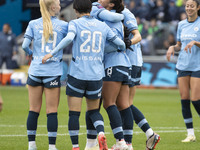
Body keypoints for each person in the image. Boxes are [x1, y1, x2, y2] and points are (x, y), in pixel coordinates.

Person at [42, 0, 126, 149]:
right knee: (94, 111)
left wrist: (51, 53)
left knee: (74, 114)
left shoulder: (75, 23)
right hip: (96, 76)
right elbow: (120, 43)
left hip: (77, 74)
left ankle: (75, 146)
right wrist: (114, 49)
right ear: (91, 9)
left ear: (75, 10)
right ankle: (100, 133)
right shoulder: (103, 25)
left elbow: (69, 38)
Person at [22, 0, 68, 150]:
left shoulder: (33, 23)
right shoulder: (63, 25)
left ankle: (31, 145)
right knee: (52, 111)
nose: (60, 6)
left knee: (33, 109)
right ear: (53, 7)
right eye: (59, 4)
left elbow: (24, 46)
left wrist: (32, 55)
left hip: (35, 70)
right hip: (52, 72)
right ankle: (52, 146)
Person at [122, 6, 160, 150]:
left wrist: (127, 42)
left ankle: (127, 143)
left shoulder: (125, 14)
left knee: (124, 104)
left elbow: (137, 36)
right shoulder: (121, 13)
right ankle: (149, 134)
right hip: (133, 62)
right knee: (126, 103)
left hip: (130, 63)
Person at [97, 0, 134, 149]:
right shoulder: (117, 18)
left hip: (113, 63)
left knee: (108, 103)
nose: (99, 0)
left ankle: (120, 141)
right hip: (125, 64)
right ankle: (128, 144)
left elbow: (111, 44)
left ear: (111, 4)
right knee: (124, 105)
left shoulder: (107, 18)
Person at [166, 0, 200, 143]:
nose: (189, 8)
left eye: (192, 6)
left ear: (198, 7)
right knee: (184, 99)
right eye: (187, 6)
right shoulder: (181, 24)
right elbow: (180, 45)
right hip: (183, 65)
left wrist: (195, 42)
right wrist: (173, 47)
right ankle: (190, 134)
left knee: (196, 100)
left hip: (197, 66)